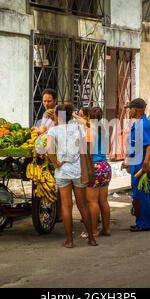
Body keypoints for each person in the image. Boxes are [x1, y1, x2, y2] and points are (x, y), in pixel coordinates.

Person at [46, 104, 98, 248]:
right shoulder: (79, 128)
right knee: (83, 205)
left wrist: (55, 163)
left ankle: (69, 241)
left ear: (58, 115)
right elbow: (84, 148)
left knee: (66, 206)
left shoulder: (53, 130)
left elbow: (49, 149)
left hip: (62, 171)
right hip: (77, 170)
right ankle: (91, 238)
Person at [122, 98, 150, 232]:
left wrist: (146, 162)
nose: (129, 111)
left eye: (130, 108)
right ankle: (140, 222)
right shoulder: (138, 123)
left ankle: (144, 224)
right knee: (137, 195)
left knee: (142, 196)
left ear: (137, 109)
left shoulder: (143, 124)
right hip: (136, 163)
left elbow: (149, 145)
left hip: (142, 166)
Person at [85, 107, 112, 237]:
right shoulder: (104, 130)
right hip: (105, 166)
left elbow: (89, 153)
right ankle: (106, 229)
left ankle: (94, 230)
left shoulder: (90, 131)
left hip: (94, 166)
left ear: (89, 117)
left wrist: (88, 169)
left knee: (92, 202)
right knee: (103, 201)